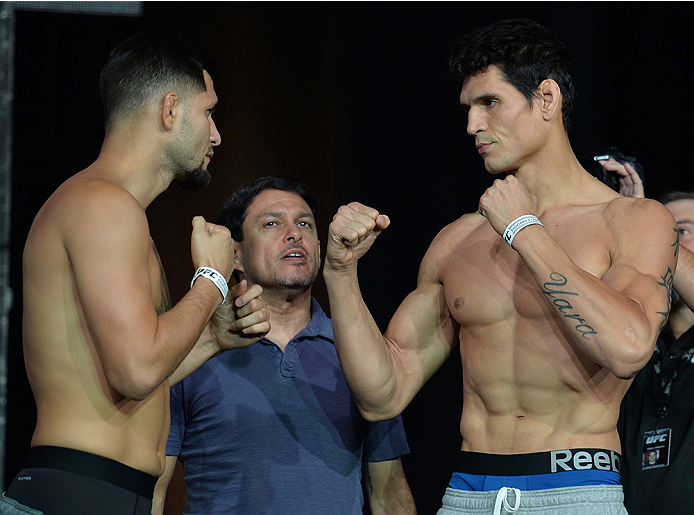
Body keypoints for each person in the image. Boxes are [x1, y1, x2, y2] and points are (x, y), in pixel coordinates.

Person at [322, 18, 678, 514]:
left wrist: (526, 232)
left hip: (575, 491)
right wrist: (340, 274)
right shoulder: (457, 240)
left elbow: (627, 347)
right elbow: (382, 394)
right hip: (469, 493)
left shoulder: (633, 221)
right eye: (467, 109)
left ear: (547, 99)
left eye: (490, 102)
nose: (472, 126)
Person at [0, 32, 270, 515]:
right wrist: (212, 280)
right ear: (169, 110)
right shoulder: (103, 205)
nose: (217, 135)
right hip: (79, 491)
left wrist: (211, 338)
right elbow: (138, 370)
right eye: (208, 112)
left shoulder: (109, 209)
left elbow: (124, 371)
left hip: (102, 493)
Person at [153, 175, 416, 515]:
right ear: (234, 254)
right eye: (272, 223)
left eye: (305, 223)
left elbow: (389, 496)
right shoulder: (192, 353)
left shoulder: (360, 354)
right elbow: (155, 491)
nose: (295, 233)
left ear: (320, 249)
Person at [604, 159, 694, 512]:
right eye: (663, 231)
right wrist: (629, 223)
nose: (662, 243)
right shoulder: (629, 340)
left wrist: (649, 226)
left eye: (681, 230)